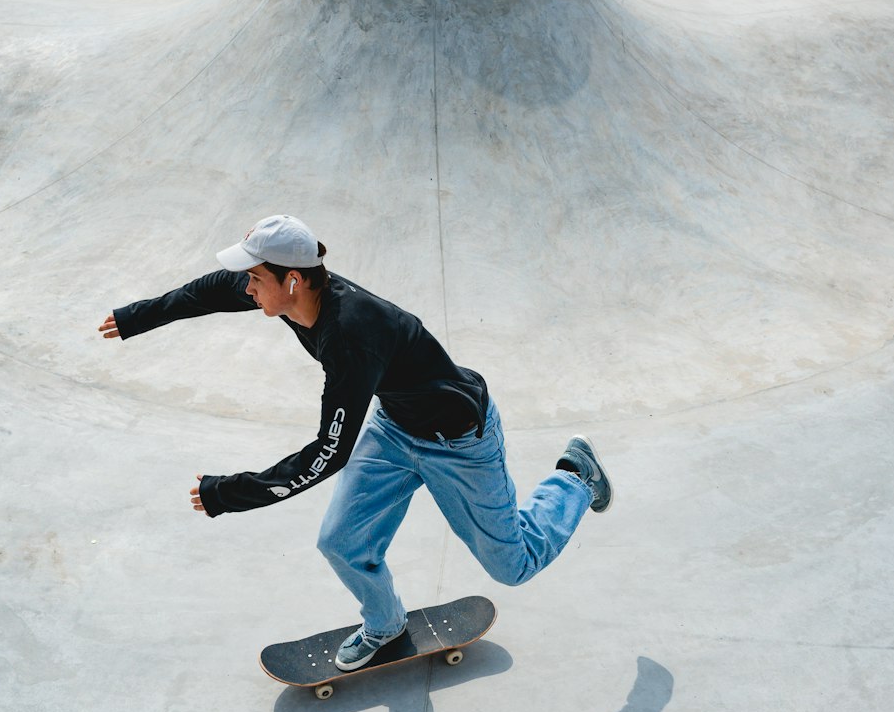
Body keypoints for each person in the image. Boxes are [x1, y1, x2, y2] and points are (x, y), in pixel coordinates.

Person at [99, 215, 612, 671]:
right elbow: (210, 290)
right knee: (341, 543)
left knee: (513, 566)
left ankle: (575, 477)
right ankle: (385, 624)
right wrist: (137, 317)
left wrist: (230, 493)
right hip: (394, 428)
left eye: (255, 278)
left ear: (291, 280)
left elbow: (329, 452)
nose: (247, 288)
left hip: (457, 441)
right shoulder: (291, 289)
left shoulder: (351, 335)